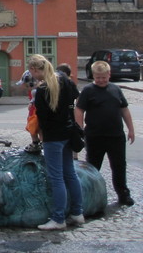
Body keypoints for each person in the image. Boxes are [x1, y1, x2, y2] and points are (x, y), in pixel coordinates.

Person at [27, 54, 84, 230]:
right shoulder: (64, 80)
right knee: (70, 174)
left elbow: (42, 119)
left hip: (53, 137)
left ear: (35, 70)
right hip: (68, 132)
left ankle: (59, 218)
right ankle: (77, 212)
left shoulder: (42, 90)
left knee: (56, 178)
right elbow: (75, 96)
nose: (32, 76)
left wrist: (40, 136)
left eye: (31, 72)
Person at [75, 60, 135, 207]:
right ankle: (90, 195)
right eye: (98, 78)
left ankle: (123, 194)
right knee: (93, 167)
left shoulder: (116, 89)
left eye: (103, 77)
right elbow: (79, 110)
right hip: (95, 136)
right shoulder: (88, 90)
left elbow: (124, 110)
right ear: (93, 76)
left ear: (109, 74)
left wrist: (131, 129)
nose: (101, 80)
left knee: (119, 166)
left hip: (116, 135)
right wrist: (80, 129)